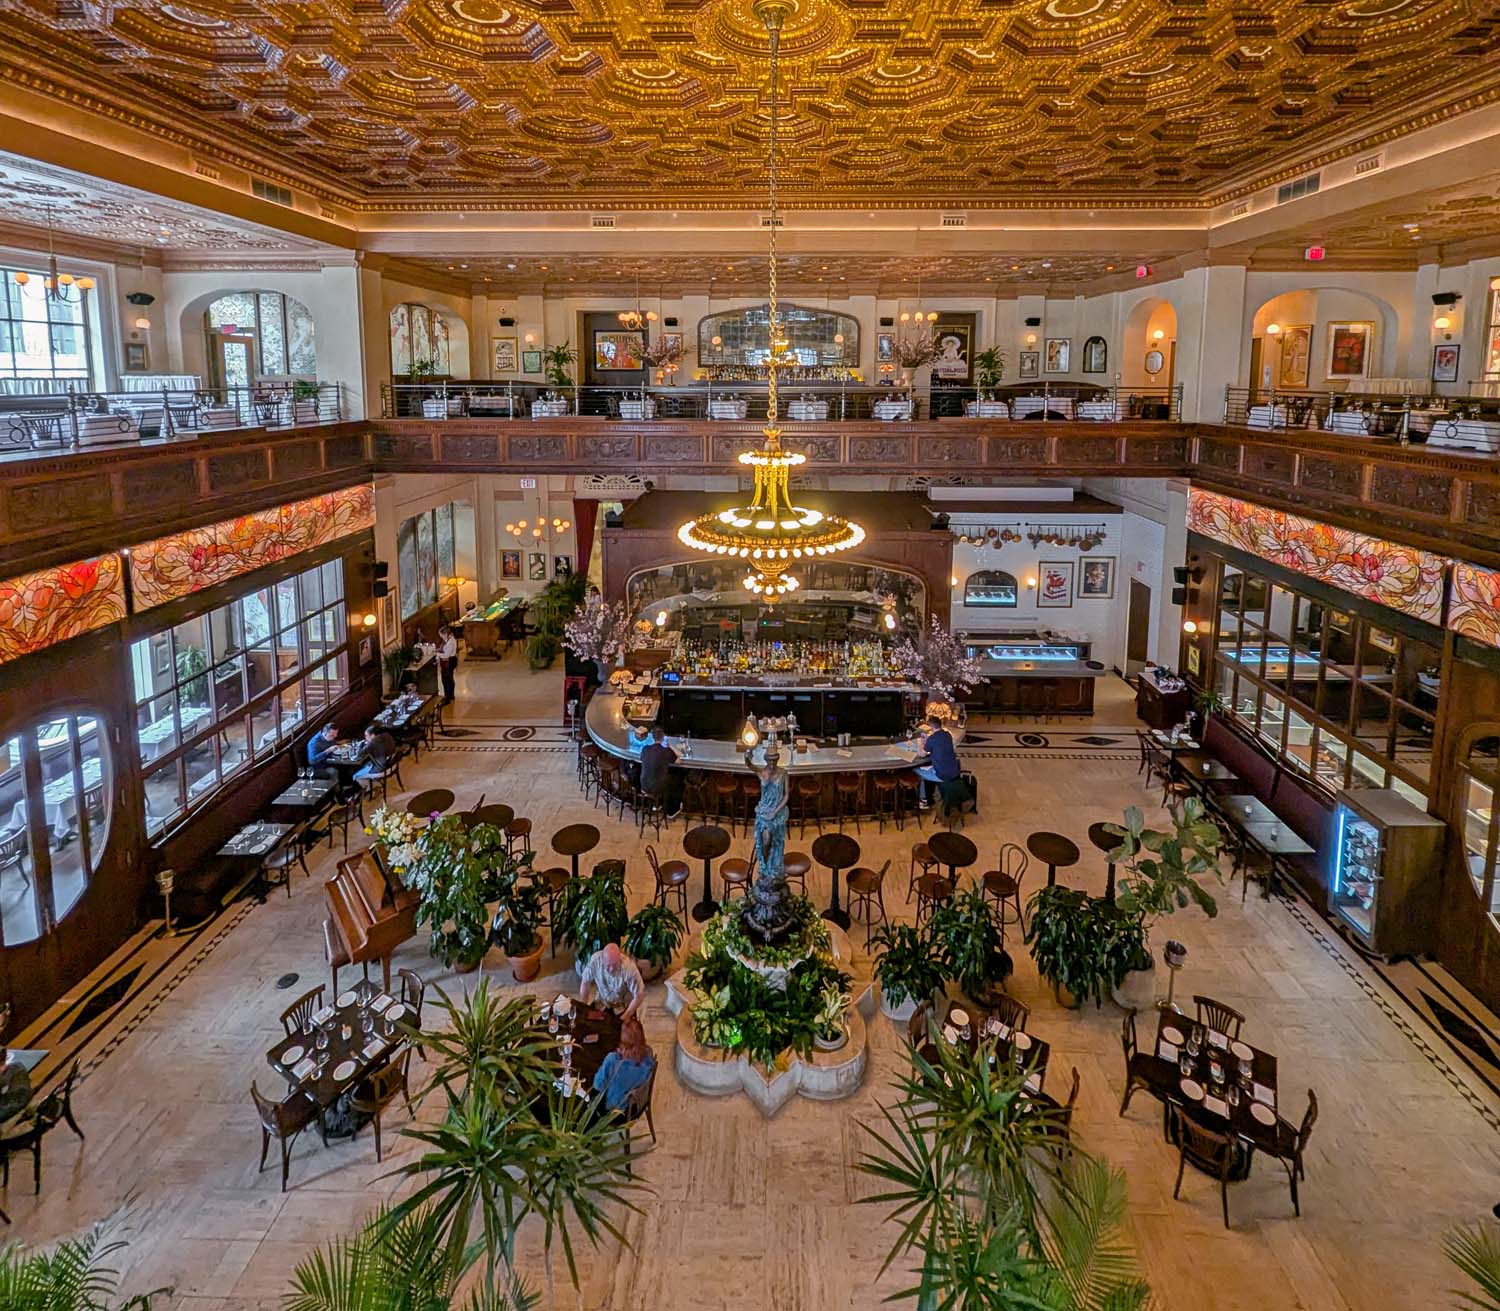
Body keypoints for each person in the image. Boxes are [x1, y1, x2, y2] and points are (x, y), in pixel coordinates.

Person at [592, 1017, 655, 1115]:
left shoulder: (613, 1060)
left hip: (616, 1110)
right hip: (635, 1105)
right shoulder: (648, 1055)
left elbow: (598, 1084)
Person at [578, 941, 645, 1021]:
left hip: (623, 1006)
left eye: (615, 964)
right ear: (603, 959)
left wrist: (624, 1017)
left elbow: (639, 995)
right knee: (586, 1023)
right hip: (601, 1001)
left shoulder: (629, 968)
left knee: (625, 1030)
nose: (612, 969)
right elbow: (585, 982)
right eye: (608, 965)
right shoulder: (595, 960)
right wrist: (584, 1006)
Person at [915, 714, 961, 807]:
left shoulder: (932, 739)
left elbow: (921, 754)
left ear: (931, 727)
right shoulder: (947, 735)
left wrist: (920, 742)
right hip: (954, 770)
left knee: (917, 771)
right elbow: (938, 743)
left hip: (942, 774)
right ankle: (930, 794)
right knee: (927, 767)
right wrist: (928, 740)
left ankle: (924, 801)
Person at [639, 725, 681, 817]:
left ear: (652, 737)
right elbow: (679, 760)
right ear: (663, 737)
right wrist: (670, 747)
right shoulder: (666, 751)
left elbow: (642, 759)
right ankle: (672, 810)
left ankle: (655, 804)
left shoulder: (645, 749)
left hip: (644, 784)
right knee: (676, 779)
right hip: (658, 787)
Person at [437, 625, 458, 706]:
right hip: (451, 661)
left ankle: (447, 698)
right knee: (450, 679)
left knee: (446, 680)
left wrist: (437, 654)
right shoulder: (450, 639)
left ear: (445, 633)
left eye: (441, 635)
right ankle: (451, 695)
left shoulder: (450, 642)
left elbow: (446, 655)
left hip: (449, 662)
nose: (441, 637)